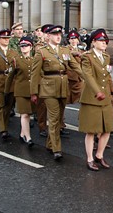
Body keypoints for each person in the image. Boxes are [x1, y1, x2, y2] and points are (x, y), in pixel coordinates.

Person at [30, 25, 83, 161]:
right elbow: (35, 74)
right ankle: (56, 148)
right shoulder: (41, 52)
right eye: (54, 34)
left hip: (63, 87)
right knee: (53, 119)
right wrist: (34, 93)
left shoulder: (65, 51)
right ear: (48, 36)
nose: (58, 36)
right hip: (48, 88)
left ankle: (49, 143)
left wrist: (88, 78)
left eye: (59, 34)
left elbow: (75, 66)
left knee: (59, 118)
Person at [78, 28, 113, 171]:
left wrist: (110, 92)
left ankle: (99, 155)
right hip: (92, 97)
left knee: (107, 129)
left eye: (105, 41)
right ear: (93, 42)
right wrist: (97, 91)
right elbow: (88, 75)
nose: (104, 43)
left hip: (104, 98)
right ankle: (89, 158)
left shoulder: (105, 57)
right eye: (100, 41)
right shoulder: (87, 57)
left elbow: (106, 77)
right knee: (91, 130)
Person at [5, 36, 35, 147]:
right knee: (25, 114)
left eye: (26, 45)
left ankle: (22, 134)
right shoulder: (15, 60)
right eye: (22, 46)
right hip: (20, 91)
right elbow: (10, 77)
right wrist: (6, 92)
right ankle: (28, 138)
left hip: (32, 91)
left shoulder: (34, 60)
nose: (23, 48)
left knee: (29, 114)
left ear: (31, 47)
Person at [0, 30, 18, 140]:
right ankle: (3, 129)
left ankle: (5, 125)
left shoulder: (13, 52)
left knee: (8, 105)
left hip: (11, 81)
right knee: (0, 106)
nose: (6, 40)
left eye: (7, 38)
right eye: (4, 38)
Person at [66, 30, 84, 104]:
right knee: (69, 96)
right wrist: (75, 53)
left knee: (80, 94)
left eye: (75, 38)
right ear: (69, 40)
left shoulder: (81, 49)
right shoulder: (66, 49)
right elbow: (67, 55)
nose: (73, 41)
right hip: (71, 76)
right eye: (71, 39)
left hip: (80, 75)